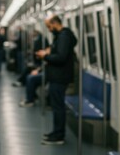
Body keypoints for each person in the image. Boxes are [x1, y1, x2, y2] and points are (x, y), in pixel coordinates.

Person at [35, 15, 77, 145]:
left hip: (60, 77)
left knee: (58, 107)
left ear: (55, 23)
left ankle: (59, 135)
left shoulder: (64, 36)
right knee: (56, 106)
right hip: (58, 76)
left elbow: (61, 57)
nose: (49, 29)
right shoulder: (61, 36)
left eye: (49, 26)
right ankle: (56, 132)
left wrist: (45, 56)